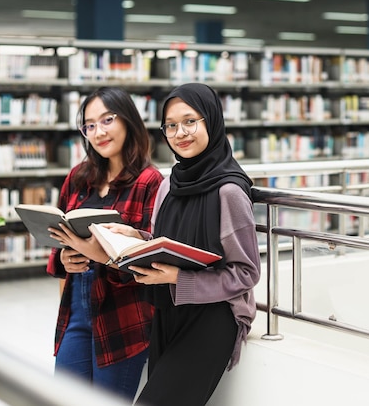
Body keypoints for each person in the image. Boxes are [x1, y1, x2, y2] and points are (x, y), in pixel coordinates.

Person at [106, 82, 261, 406]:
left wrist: (178, 278)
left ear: (211, 120)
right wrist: (136, 238)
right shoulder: (169, 185)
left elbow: (246, 273)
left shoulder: (229, 191)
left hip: (214, 317)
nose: (180, 133)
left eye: (190, 121)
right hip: (167, 311)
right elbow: (171, 245)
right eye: (171, 125)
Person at [45, 86, 163, 402]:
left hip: (123, 317)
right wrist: (64, 260)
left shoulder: (150, 182)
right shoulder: (78, 178)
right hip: (77, 311)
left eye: (107, 120)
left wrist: (104, 254)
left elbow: (154, 258)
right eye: (90, 125)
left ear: (128, 121)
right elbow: (59, 240)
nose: (99, 132)